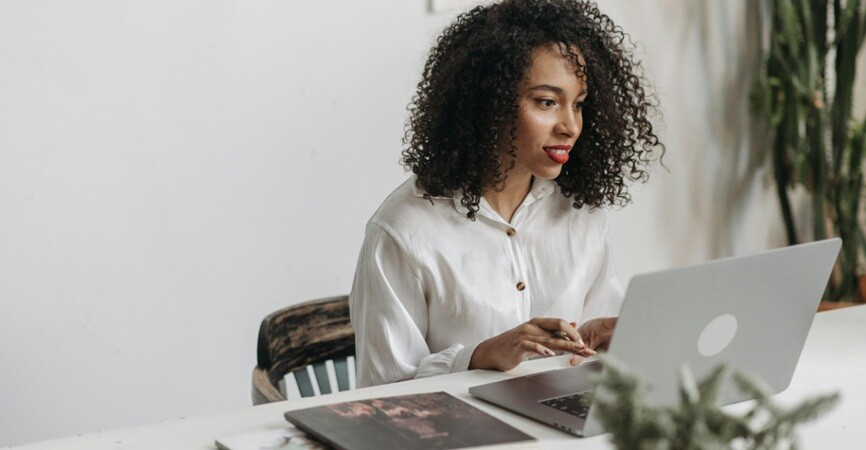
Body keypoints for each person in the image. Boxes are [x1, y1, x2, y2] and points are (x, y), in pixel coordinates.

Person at [349, 0, 664, 387]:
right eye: (547, 102)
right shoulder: (404, 232)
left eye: (578, 104)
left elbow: (593, 367)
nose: (570, 126)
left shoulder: (579, 213)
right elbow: (383, 394)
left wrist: (592, 337)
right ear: (490, 104)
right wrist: (478, 357)